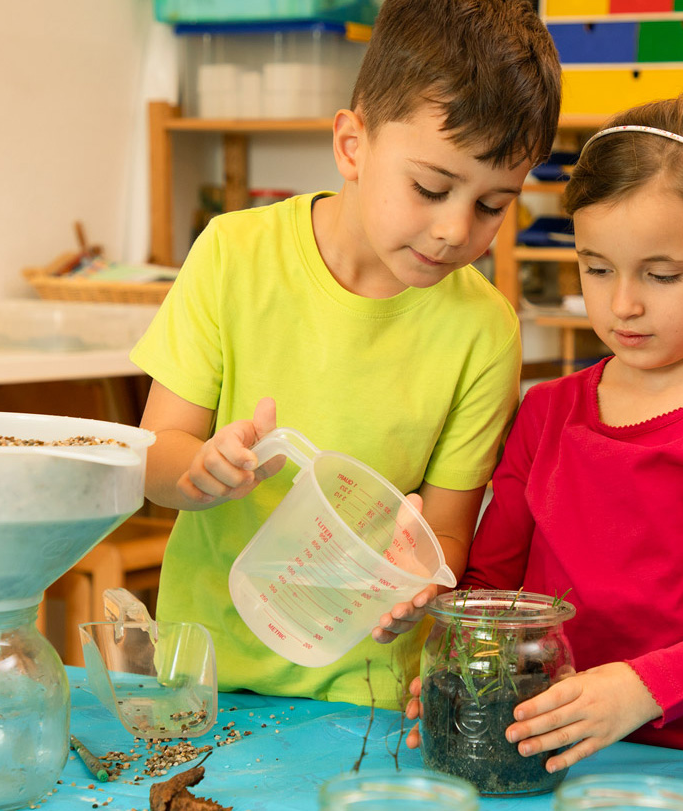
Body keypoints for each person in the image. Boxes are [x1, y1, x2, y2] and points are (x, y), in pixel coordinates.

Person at [129, 0, 560, 709]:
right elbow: (154, 459)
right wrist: (201, 468)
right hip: (204, 673)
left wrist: (424, 574)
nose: (456, 229)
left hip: (365, 692)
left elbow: (449, 528)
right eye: (430, 187)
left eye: (493, 205)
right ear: (352, 144)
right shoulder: (234, 254)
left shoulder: (485, 331)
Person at [396, 93, 683, 769]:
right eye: (596, 267)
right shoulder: (548, 412)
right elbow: (491, 584)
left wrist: (644, 686)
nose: (623, 302)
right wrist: (456, 656)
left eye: (662, 274)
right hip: (545, 758)